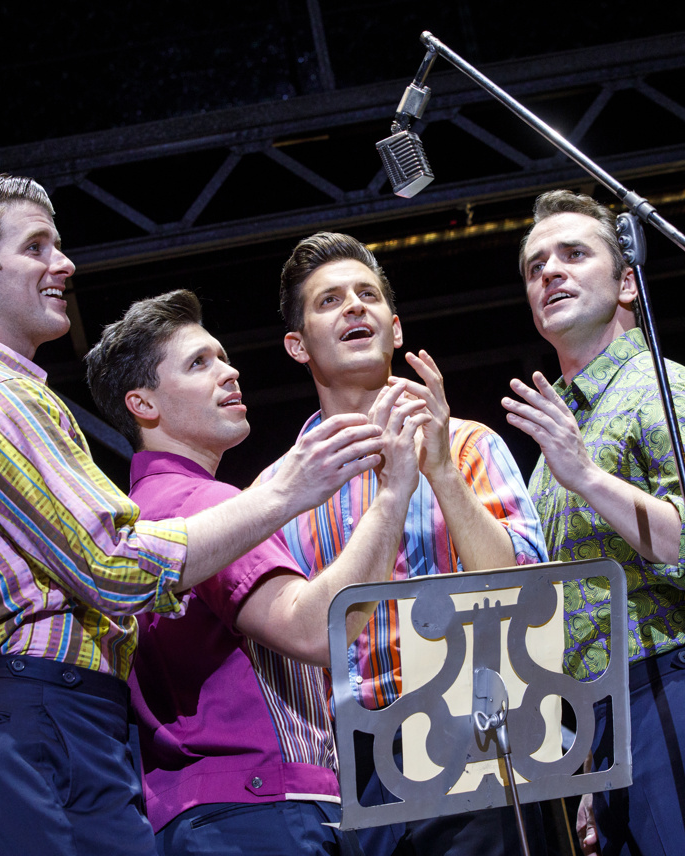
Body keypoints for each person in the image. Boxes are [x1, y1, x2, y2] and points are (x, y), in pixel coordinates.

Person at [0, 176, 391, 856]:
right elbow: (113, 565)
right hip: (52, 726)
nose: (63, 265)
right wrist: (290, 491)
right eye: (36, 247)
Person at [83, 288, 429, 855]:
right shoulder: (196, 504)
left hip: (207, 813)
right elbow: (316, 628)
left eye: (222, 356)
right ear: (143, 404)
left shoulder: (149, 507)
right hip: (259, 814)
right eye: (200, 363)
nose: (229, 370)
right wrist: (393, 495)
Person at [501, 190, 685, 856]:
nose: (551, 271)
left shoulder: (663, 391)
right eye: (536, 264)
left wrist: (590, 478)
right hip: (604, 726)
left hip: (681, 692)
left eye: (575, 254)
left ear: (627, 281)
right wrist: (584, 774)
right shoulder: (562, 442)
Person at [257, 232, 549, 856]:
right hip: (348, 764)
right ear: (297, 345)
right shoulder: (276, 490)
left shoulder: (469, 445)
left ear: (395, 329)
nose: (353, 307)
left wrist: (439, 471)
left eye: (367, 296)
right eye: (329, 300)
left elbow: (525, 592)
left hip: (475, 743)